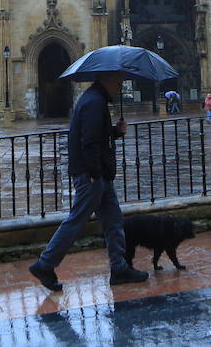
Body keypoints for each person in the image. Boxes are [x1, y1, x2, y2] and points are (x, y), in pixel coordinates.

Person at [29, 71, 148, 291]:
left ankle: (119, 268)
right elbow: (90, 141)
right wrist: (95, 174)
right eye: (119, 79)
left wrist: (115, 132)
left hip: (99, 173)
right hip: (92, 174)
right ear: (107, 78)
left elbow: (97, 135)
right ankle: (45, 264)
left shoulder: (95, 99)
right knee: (77, 220)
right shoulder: (94, 101)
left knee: (114, 222)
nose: (121, 84)